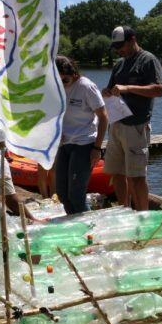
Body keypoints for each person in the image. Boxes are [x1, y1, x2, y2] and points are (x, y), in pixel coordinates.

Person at [102, 26, 162, 211]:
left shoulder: (148, 60)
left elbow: (159, 90)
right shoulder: (119, 64)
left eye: (121, 46)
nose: (118, 50)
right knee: (117, 173)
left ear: (132, 40)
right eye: (115, 47)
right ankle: (124, 210)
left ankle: (143, 215)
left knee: (136, 176)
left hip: (136, 126)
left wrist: (128, 88)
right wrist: (107, 92)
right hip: (116, 124)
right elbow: (112, 88)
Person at [54, 56, 108, 214]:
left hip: (84, 144)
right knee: (62, 193)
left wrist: (97, 148)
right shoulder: (57, 87)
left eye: (65, 80)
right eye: (58, 80)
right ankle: (75, 226)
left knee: (76, 194)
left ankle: (91, 228)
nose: (62, 84)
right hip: (64, 144)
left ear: (74, 74)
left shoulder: (86, 86)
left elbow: (104, 117)